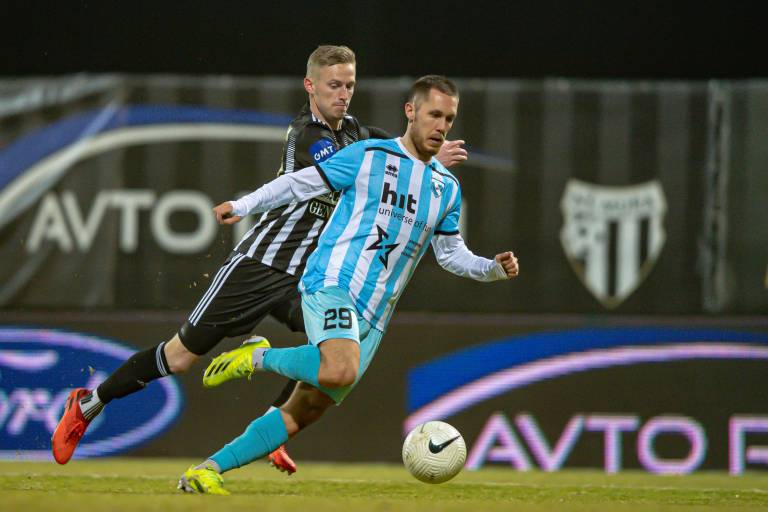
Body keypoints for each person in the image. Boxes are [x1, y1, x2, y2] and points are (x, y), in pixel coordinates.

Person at [51, 45, 467, 472]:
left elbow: (399, 152)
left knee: (329, 348)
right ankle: (88, 404)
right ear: (310, 86)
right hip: (263, 264)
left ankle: (274, 426)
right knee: (180, 357)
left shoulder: (357, 132)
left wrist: (427, 159)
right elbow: (354, 173)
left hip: (308, 275)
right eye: (333, 85)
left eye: (349, 85)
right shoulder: (309, 135)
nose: (343, 94)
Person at [177, 75, 519, 495]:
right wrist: (244, 204)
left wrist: (491, 269)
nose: (441, 126)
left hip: (375, 315)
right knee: (339, 369)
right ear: (410, 112)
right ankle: (256, 358)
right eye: (434, 115)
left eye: (449, 119)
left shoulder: (445, 188)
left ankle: (206, 470)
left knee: (304, 410)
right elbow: (298, 183)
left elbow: (450, 254)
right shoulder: (369, 155)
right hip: (333, 283)